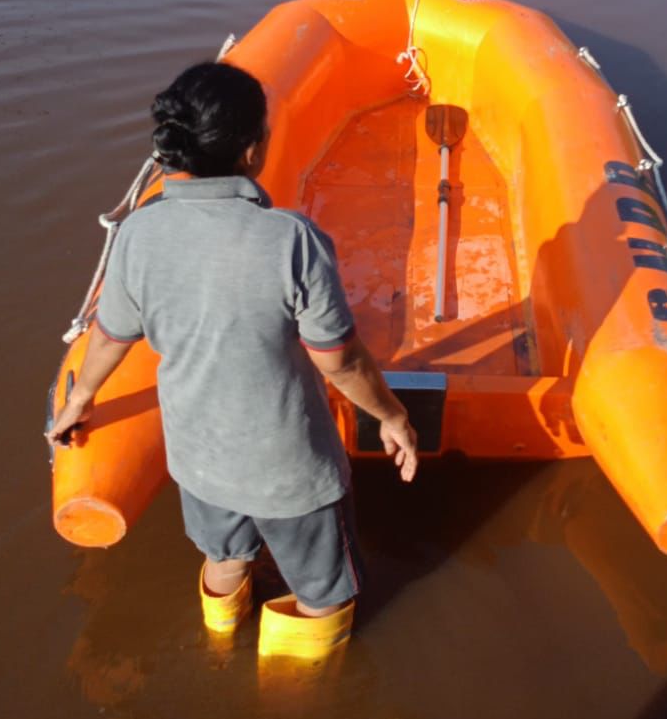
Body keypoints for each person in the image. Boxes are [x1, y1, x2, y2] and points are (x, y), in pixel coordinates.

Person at [46, 62, 418, 658]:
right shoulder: (290, 240)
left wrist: (81, 399)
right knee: (325, 593)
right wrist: (393, 417)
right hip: (290, 473)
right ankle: (287, 696)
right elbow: (340, 361)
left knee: (223, 558)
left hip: (199, 461)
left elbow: (111, 335)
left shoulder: (140, 234)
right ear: (252, 151)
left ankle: (218, 648)